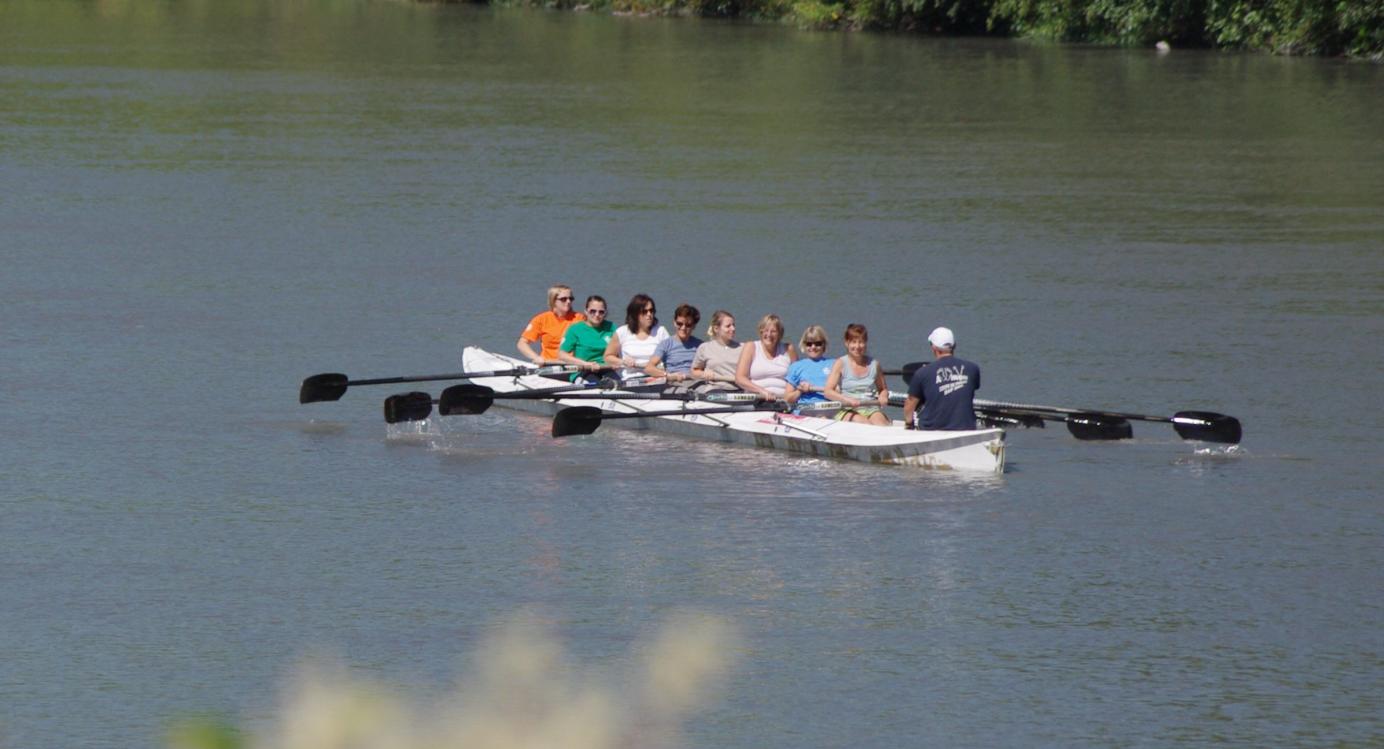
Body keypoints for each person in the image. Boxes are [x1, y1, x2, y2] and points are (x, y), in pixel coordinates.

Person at [904, 326, 980, 430]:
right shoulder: (973, 369)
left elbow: (910, 403)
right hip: (966, 428)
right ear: (955, 346)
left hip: (932, 429)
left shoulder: (922, 373)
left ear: (934, 348)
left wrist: (909, 423)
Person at [824, 323, 890, 425]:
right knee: (864, 424)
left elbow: (883, 389)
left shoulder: (875, 364)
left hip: (870, 407)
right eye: (853, 342)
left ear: (865, 343)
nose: (857, 346)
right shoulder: (840, 363)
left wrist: (883, 396)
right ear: (847, 343)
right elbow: (828, 391)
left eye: (861, 342)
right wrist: (847, 399)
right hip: (847, 408)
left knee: (881, 423)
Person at [604, 293, 670, 381]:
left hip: (657, 378)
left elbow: (672, 355)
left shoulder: (661, 331)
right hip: (630, 379)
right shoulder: (622, 332)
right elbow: (607, 357)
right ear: (635, 314)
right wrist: (623, 361)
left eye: (651, 310)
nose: (649, 314)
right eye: (644, 312)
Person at [516, 284, 584, 365]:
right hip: (548, 365)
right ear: (553, 300)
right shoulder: (542, 319)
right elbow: (522, 343)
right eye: (564, 299)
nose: (568, 301)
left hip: (573, 365)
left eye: (571, 299)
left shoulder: (580, 319)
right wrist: (536, 358)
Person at [735, 313, 796, 398]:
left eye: (773, 331)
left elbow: (797, 377)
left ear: (779, 334)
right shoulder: (751, 347)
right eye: (766, 330)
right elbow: (740, 378)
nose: (769, 334)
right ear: (761, 331)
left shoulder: (788, 349)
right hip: (757, 398)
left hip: (782, 400)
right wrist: (761, 391)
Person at [557, 295, 615, 379]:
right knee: (596, 388)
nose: (597, 315)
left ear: (605, 313)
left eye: (601, 312)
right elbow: (562, 355)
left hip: (606, 369)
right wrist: (585, 364)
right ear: (586, 311)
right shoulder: (575, 329)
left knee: (617, 386)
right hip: (583, 370)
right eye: (592, 311)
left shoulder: (611, 327)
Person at [644, 303, 702, 383]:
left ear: (694, 326)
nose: (683, 328)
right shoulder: (666, 344)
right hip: (674, 384)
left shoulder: (701, 346)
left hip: (697, 383)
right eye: (679, 324)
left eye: (688, 325)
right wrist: (668, 375)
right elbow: (649, 368)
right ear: (674, 322)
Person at [783, 326, 834, 413]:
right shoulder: (796, 366)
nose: (813, 347)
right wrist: (800, 391)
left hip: (829, 409)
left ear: (824, 345)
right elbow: (787, 399)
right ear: (804, 345)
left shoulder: (834, 364)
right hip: (806, 410)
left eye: (817, 343)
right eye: (809, 344)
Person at [690, 310, 741, 387]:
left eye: (733, 325)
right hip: (715, 390)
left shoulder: (743, 348)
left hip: (739, 390)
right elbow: (694, 371)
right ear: (716, 328)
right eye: (728, 326)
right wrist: (704, 373)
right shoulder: (705, 348)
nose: (733, 329)